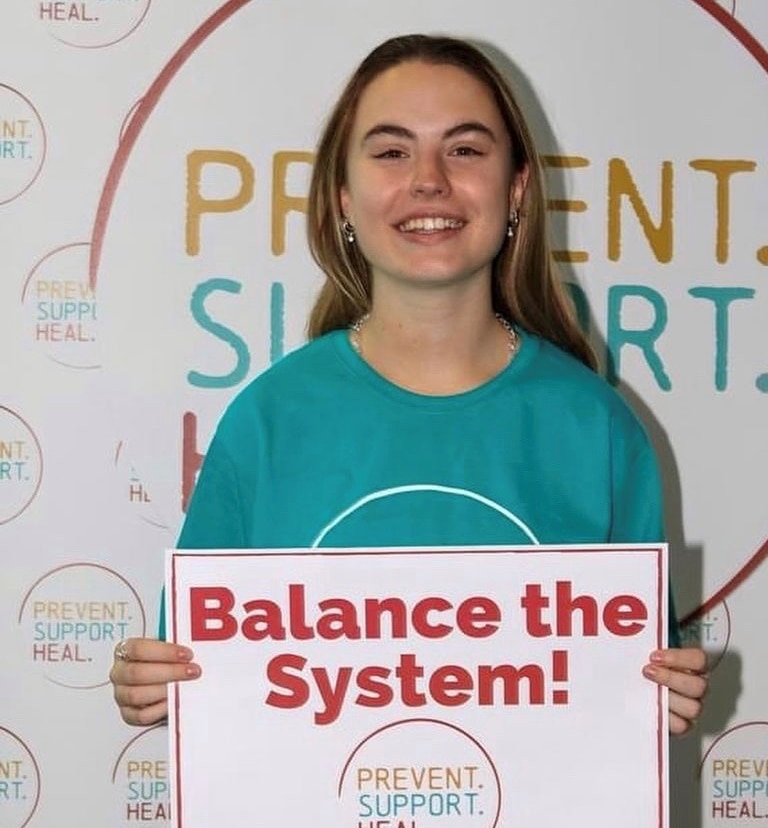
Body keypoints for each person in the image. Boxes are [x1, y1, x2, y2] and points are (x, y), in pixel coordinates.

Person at [110, 34, 706, 735]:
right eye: (392, 151)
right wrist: (151, 684)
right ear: (343, 197)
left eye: (465, 149)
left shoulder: (594, 425)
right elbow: (195, 670)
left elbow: (627, 688)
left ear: (516, 190)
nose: (428, 179)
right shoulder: (270, 419)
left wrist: (662, 692)